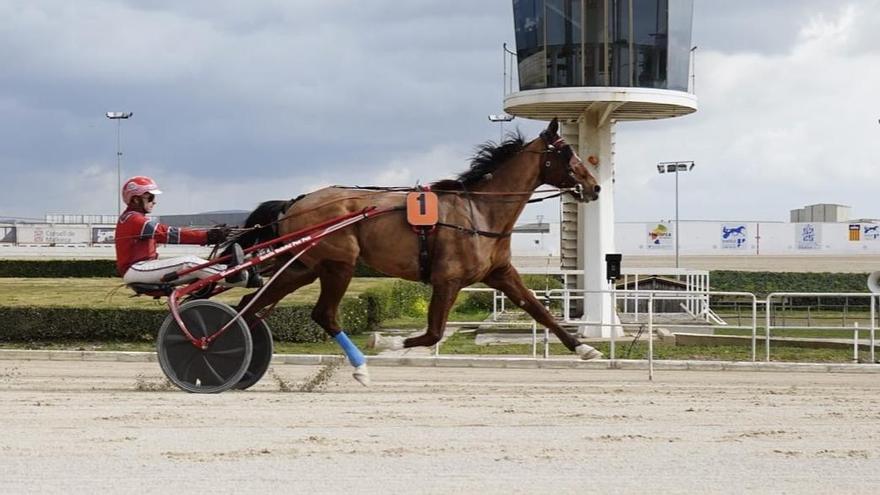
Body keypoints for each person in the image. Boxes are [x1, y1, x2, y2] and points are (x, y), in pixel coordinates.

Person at [115, 175, 259, 288]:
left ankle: (236, 272)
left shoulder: (134, 219)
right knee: (188, 262)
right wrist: (207, 236)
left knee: (196, 266)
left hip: (142, 268)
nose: (154, 201)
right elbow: (169, 233)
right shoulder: (134, 220)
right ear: (135, 200)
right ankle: (238, 277)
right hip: (136, 270)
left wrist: (210, 234)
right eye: (151, 197)